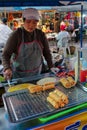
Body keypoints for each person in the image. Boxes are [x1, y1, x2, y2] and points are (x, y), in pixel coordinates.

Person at [2, 8, 59, 80]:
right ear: (23, 21)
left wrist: (51, 66)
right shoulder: (16, 35)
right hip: (20, 75)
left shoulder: (40, 34)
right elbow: (5, 54)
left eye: (34, 23)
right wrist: (7, 68)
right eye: (28, 22)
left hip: (37, 73)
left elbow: (47, 53)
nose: (31, 25)